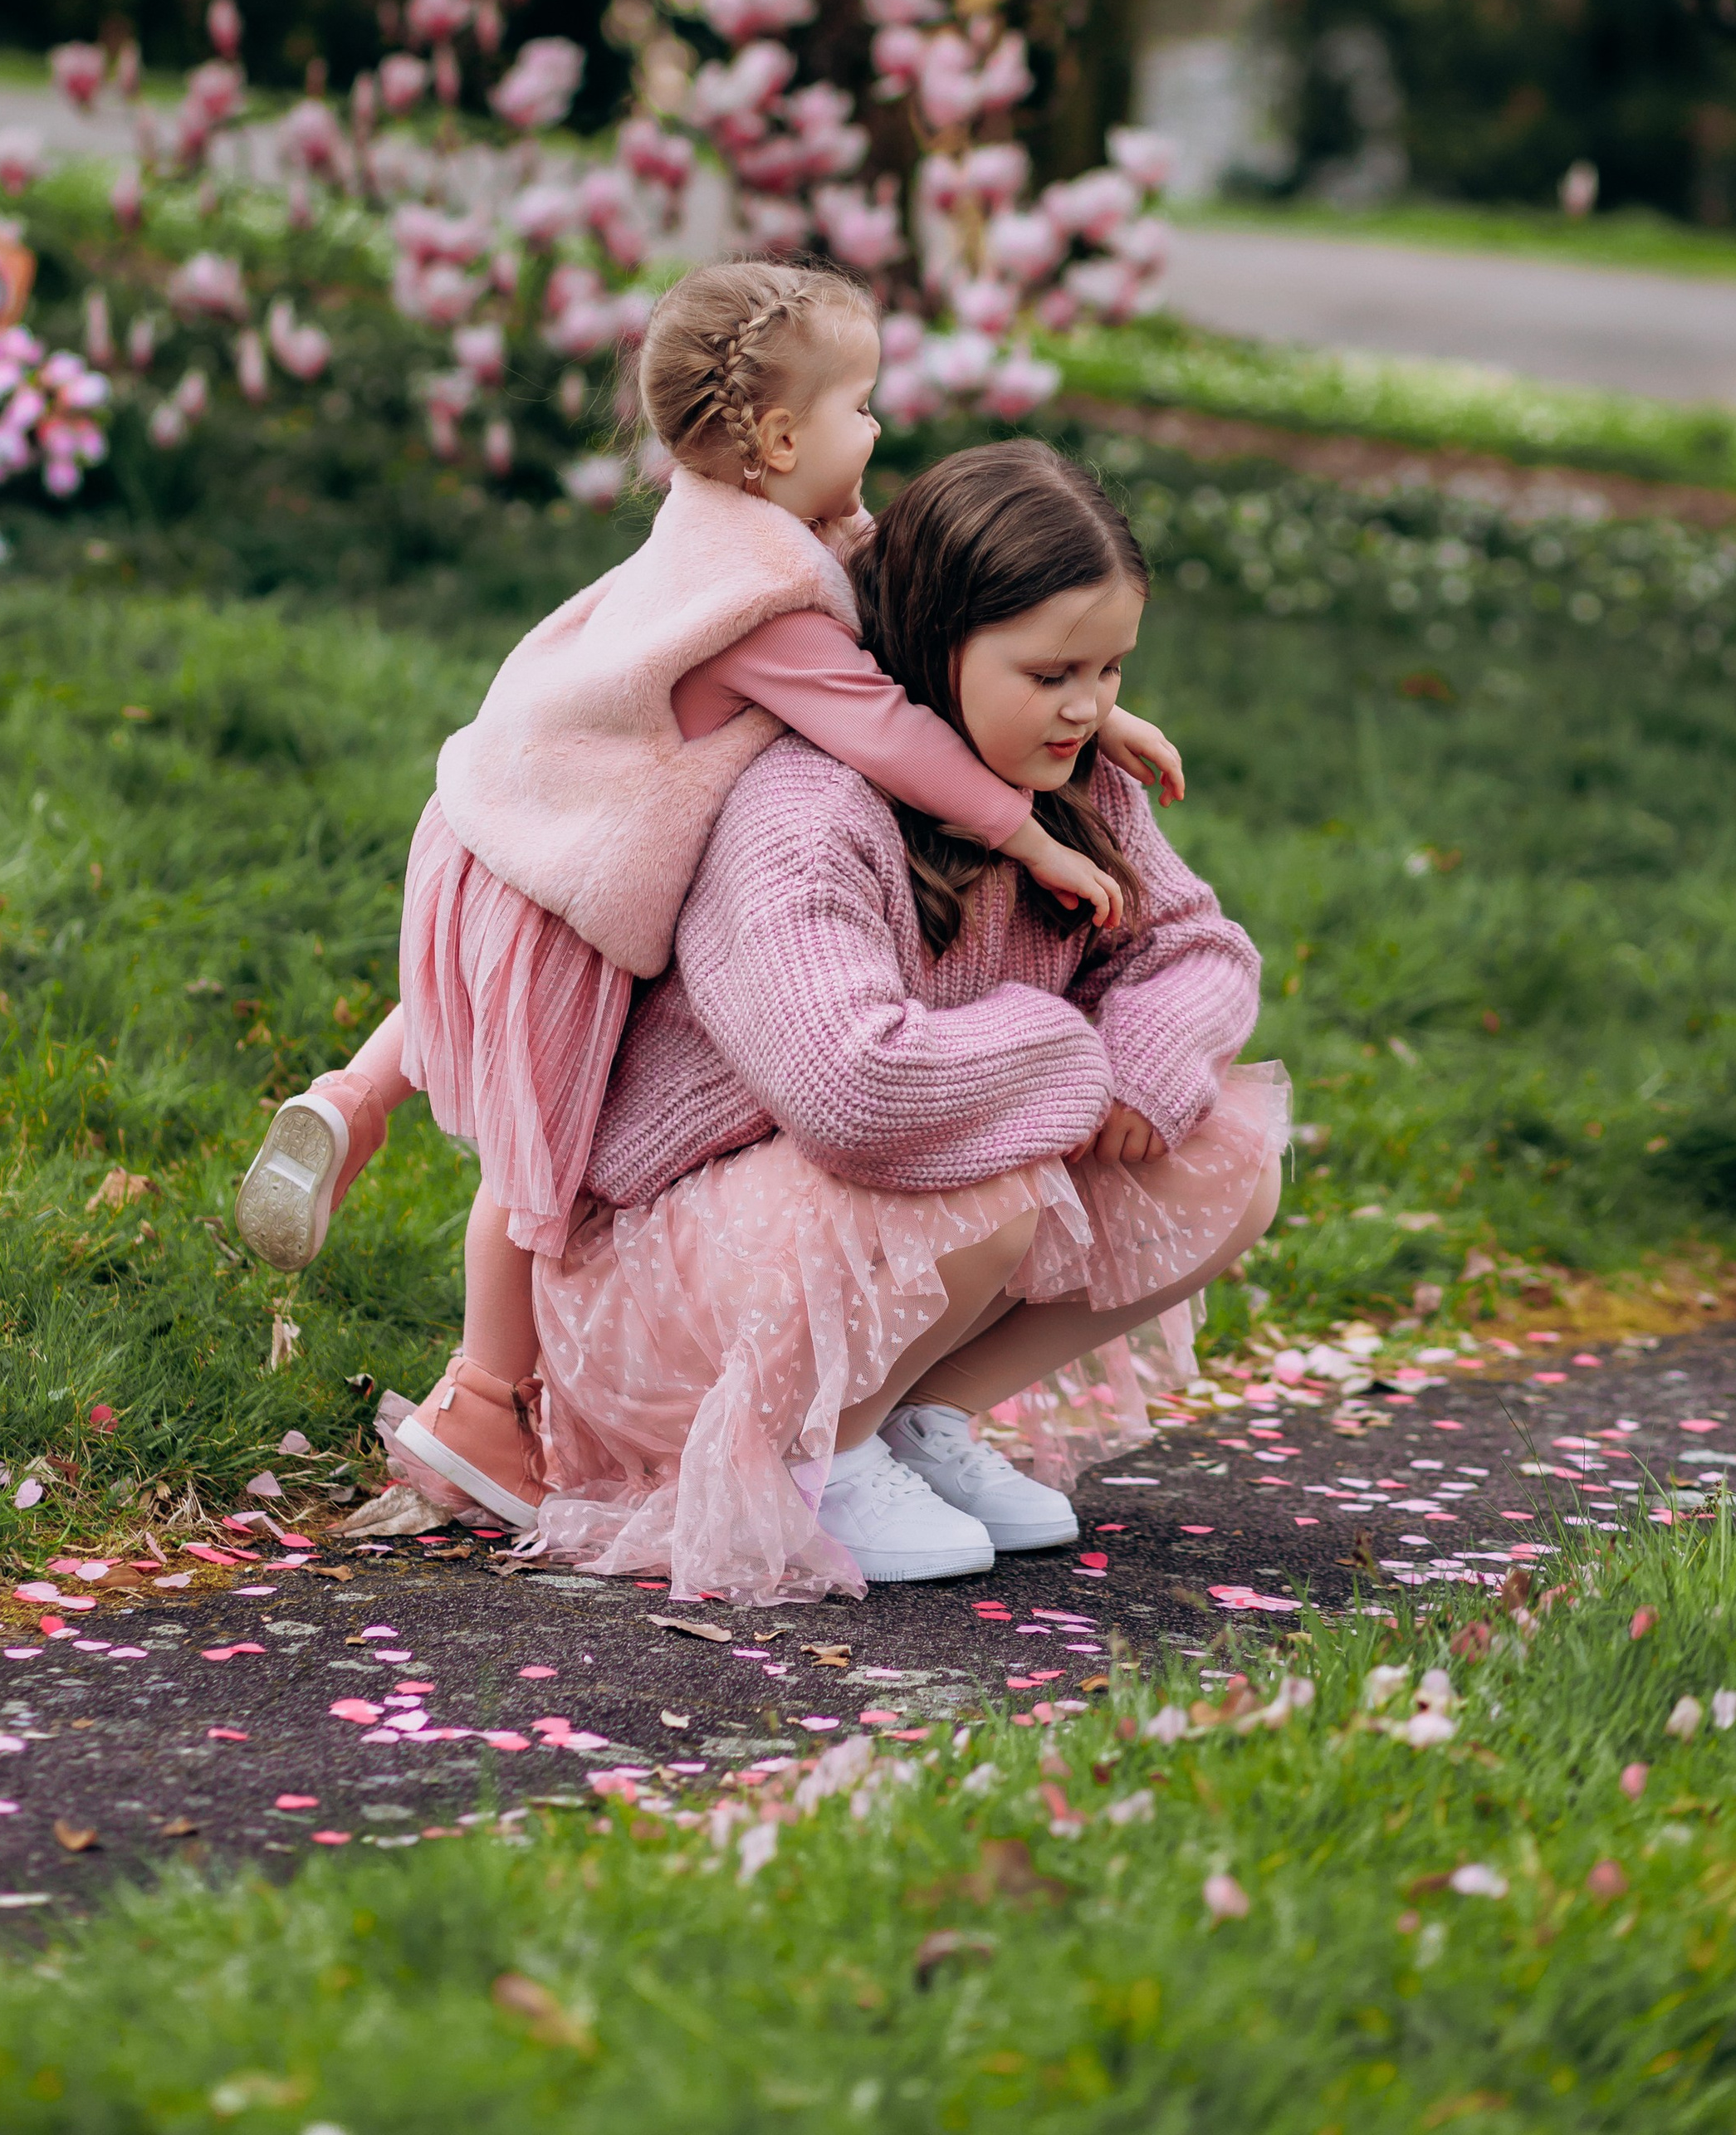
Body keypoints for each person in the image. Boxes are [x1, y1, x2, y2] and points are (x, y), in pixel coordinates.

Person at [234, 262, 1185, 1524]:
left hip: (510, 823)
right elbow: (896, 732)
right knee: (541, 1164)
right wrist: (1037, 840)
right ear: (783, 437)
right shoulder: (769, 598)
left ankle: (353, 1100)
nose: (883, 431)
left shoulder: (733, 520)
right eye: (865, 406)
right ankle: (484, 1401)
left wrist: (1097, 715)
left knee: (473, 1021)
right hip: (575, 868)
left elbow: (966, 618)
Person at [521, 437, 1288, 1601]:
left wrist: (1145, 1059)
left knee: (1223, 1151)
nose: (1088, 708)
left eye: (1112, 670)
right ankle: (813, 1455)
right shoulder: (804, 810)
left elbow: (1195, 945)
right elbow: (851, 1089)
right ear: (936, 644)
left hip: (880, 1194)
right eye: (1050, 674)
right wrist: (1078, 1062)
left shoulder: (1075, 781)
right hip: (685, 1261)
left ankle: (911, 1420)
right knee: (993, 1188)